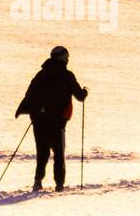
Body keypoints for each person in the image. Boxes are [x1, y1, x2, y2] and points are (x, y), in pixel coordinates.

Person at [15, 46, 88, 191]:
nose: (68, 59)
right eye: (66, 56)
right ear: (61, 57)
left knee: (42, 152)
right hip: (57, 121)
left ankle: (37, 182)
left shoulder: (41, 74)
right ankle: (59, 185)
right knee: (59, 153)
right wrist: (85, 92)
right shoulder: (67, 75)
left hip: (39, 120)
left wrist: (29, 111)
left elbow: (30, 94)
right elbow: (79, 96)